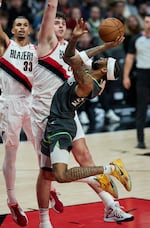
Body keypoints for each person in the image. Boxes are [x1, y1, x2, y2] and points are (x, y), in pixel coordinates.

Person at [31, 1, 133, 228]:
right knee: (47, 173)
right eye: (54, 22)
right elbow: (83, 57)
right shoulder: (45, 46)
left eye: (60, 22)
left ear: (65, 28)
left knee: (82, 158)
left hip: (64, 114)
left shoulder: (70, 50)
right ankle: (44, 220)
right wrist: (106, 47)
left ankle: (110, 205)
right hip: (43, 114)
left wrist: (86, 44)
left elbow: (78, 57)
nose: (57, 25)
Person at [0, 15, 37, 226]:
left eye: (25, 25)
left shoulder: (35, 51)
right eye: (18, 25)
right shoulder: (6, 45)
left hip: (31, 101)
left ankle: (50, 189)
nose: (21, 28)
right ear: (12, 30)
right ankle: (12, 199)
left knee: (42, 148)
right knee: (11, 152)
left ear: (29, 30)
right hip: (10, 103)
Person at [123, 14, 150, 149]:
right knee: (141, 108)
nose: (148, 24)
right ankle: (140, 140)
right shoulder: (136, 39)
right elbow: (129, 58)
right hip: (142, 75)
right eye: (146, 21)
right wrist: (126, 76)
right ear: (143, 23)